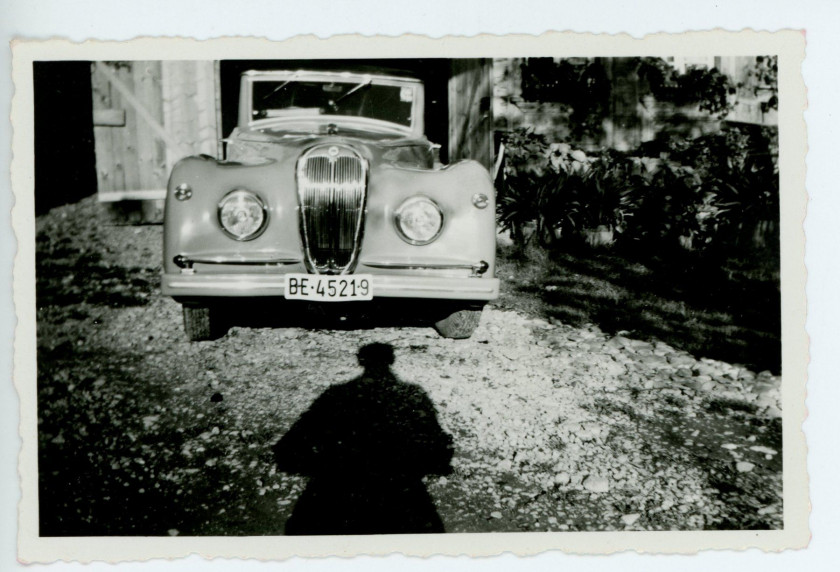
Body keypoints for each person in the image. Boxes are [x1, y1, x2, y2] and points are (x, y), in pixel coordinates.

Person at [273, 343, 453, 535]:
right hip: (398, 489)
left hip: (340, 488)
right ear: (391, 360)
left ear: (361, 361)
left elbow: (295, 439)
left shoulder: (338, 394)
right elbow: (437, 442)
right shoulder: (412, 395)